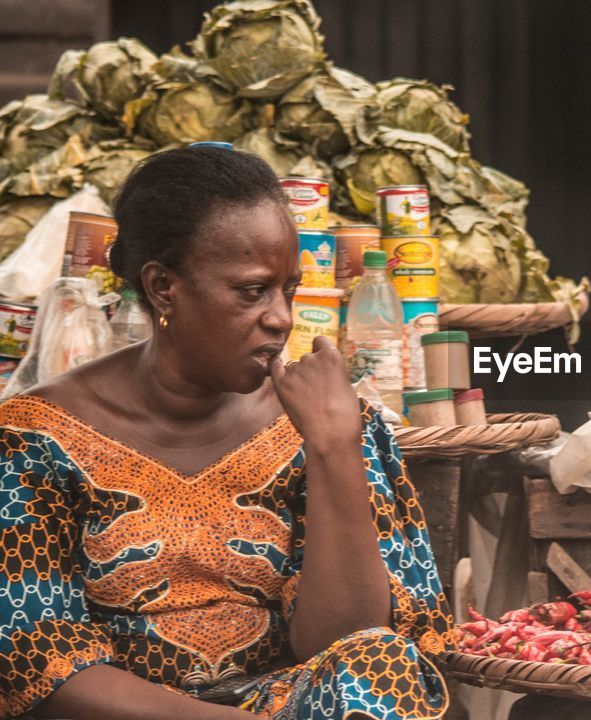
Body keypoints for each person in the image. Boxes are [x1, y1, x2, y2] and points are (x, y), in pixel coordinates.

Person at [0, 147, 454, 720]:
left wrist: (334, 449)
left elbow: (349, 648)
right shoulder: (35, 438)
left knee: (382, 659)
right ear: (164, 287)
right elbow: (38, 663)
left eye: (288, 290)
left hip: (283, 707)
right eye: (251, 291)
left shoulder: (327, 424)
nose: (281, 318)